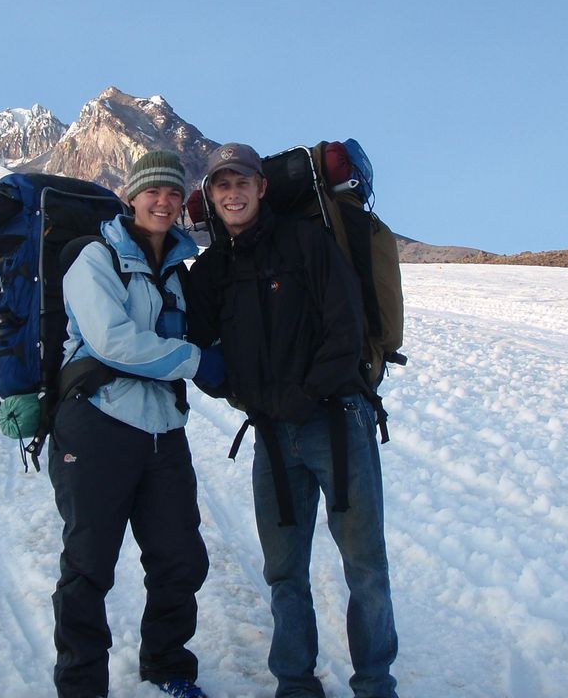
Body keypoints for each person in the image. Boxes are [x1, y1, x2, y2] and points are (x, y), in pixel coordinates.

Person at [185, 143, 399, 698]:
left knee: (365, 566)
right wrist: (234, 389)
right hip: (272, 436)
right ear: (211, 197)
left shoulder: (307, 242)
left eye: (242, 183)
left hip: (336, 422)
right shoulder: (211, 271)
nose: (233, 193)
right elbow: (194, 339)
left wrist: (306, 394)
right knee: (283, 572)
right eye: (221, 185)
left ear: (261, 189)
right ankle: (295, 684)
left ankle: (375, 683)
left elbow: (345, 326)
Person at [50, 151, 223, 698]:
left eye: (174, 193)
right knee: (89, 564)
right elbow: (113, 342)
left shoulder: (177, 269)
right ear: (131, 196)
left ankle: (168, 665)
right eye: (153, 191)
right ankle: (81, 685)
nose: (165, 202)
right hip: (97, 422)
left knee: (180, 557)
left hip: (163, 430)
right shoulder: (95, 259)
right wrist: (196, 361)